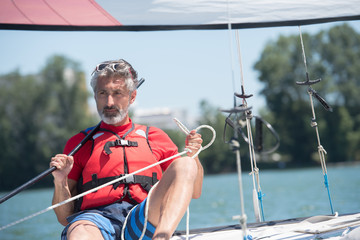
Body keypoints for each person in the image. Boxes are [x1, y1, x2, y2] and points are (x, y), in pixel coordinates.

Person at [50, 59, 204, 240]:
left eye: (117, 93)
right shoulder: (79, 144)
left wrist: (194, 156)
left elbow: (194, 192)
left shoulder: (155, 137)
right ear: (95, 96)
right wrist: (60, 182)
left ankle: (162, 238)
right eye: (103, 93)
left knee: (185, 164)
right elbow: (63, 217)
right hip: (95, 222)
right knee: (79, 232)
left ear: (132, 97)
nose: (109, 102)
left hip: (143, 217)